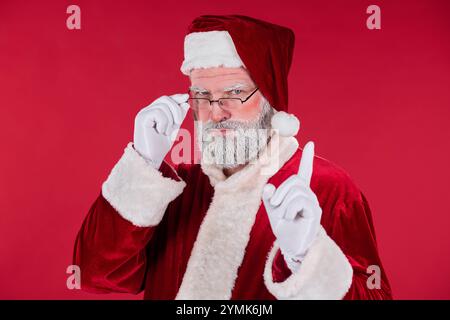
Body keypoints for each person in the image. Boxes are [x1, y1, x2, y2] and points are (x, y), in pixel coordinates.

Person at [73, 15, 392, 300]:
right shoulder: (176, 190)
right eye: (201, 96)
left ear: (271, 97)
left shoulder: (329, 189)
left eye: (234, 94)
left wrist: (306, 259)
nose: (215, 112)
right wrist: (142, 164)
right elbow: (97, 275)